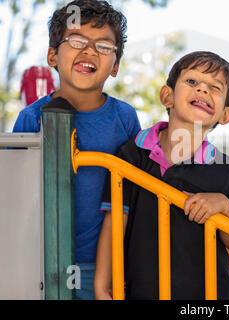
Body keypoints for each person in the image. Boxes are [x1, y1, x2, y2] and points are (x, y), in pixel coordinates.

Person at [95, 51, 229, 300]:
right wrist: (102, 287)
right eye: (192, 82)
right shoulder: (132, 154)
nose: (202, 90)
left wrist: (223, 206)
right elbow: (114, 225)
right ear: (167, 96)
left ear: (226, 115)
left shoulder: (226, 170)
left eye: (214, 87)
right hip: (141, 293)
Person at [12, 0, 141, 299]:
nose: (90, 51)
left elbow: (136, 193)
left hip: (106, 267)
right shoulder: (31, 117)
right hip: (43, 263)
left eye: (104, 46)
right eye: (76, 41)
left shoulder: (125, 118)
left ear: (116, 66)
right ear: (53, 55)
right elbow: (18, 196)